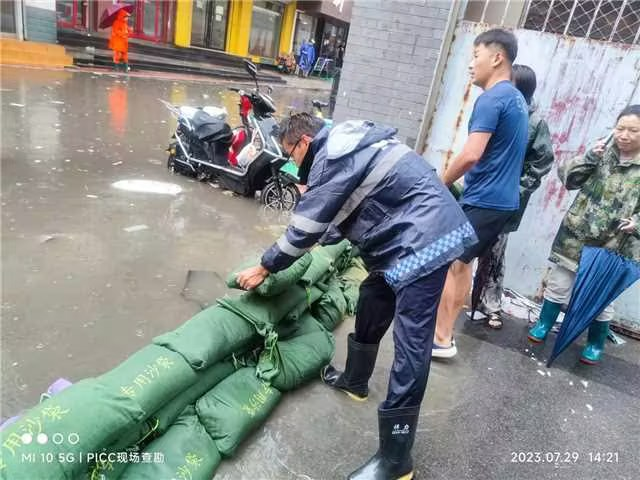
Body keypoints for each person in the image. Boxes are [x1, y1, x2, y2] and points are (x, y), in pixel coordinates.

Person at [236, 113, 476, 480]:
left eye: (291, 153)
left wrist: (266, 266)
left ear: (304, 142)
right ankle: (355, 379)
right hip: (406, 233)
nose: (292, 162)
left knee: (411, 344)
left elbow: (306, 228)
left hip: (424, 239)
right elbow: (343, 217)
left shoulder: (333, 157)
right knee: (373, 295)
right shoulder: (346, 143)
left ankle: (396, 459)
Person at [433, 28, 529, 358]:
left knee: (450, 262)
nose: (471, 64)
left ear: (497, 57)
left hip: (484, 200)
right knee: (462, 264)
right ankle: (445, 333)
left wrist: (440, 181)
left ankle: (441, 338)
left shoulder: (491, 99)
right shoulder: (516, 98)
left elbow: (471, 154)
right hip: (501, 203)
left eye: (476, 55)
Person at [528, 105, 640, 364]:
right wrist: (589, 157)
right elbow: (568, 179)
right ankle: (544, 325)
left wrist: (637, 223)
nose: (624, 135)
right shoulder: (602, 151)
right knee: (558, 285)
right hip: (575, 237)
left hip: (614, 245)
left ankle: (595, 343)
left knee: (601, 298)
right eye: (620, 128)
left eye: (633, 130)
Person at [476, 64, 555, 329]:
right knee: (463, 248)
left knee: (494, 254)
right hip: (479, 193)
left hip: (503, 202)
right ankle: (458, 298)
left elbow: (541, 163)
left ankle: (490, 306)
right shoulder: (497, 111)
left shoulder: (534, 123)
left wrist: (514, 191)